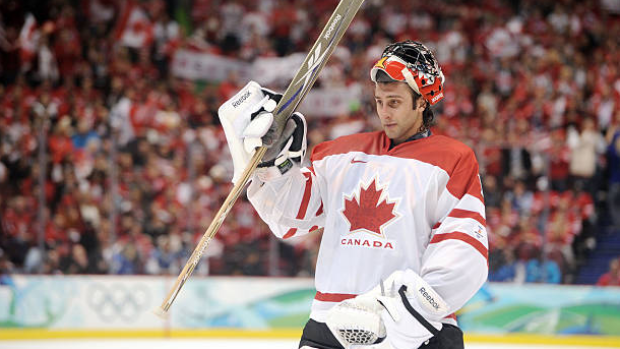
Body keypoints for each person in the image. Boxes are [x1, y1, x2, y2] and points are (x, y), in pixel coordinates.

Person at [219, 41, 488, 349]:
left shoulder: (452, 160)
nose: (384, 112)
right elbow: (289, 217)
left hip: (413, 332)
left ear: (422, 102)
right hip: (330, 324)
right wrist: (272, 164)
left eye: (395, 102)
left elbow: (464, 251)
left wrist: (402, 311)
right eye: (379, 101)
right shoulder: (339, 153)